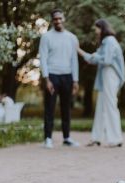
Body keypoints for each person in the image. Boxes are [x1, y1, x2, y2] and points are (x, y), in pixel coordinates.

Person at [77, 19, 125, 147]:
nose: (96, 31)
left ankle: (116, 139)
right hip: (105, 75)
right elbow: (93, 59)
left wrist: (94, 56)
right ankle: (96, 137)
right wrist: (80, 51)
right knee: (101, 107)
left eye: (97, 29)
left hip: (110, 74)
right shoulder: (105, 43)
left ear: (102, 28)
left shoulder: (109, 41)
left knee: (110, 105)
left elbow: (107, 60)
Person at [39, 9, 80, 149]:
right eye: (55, 19)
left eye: (60, 18)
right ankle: (48, 138)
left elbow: (74, 60)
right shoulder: (46, 37)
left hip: (67, 77)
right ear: (52, 21)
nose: (58, 21)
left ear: (64, 19)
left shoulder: (72, 38)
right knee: (49, 108)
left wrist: (75, 80)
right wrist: (46, 79)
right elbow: (43, 58)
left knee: (66, 108)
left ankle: (67, 137)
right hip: (52, 76)